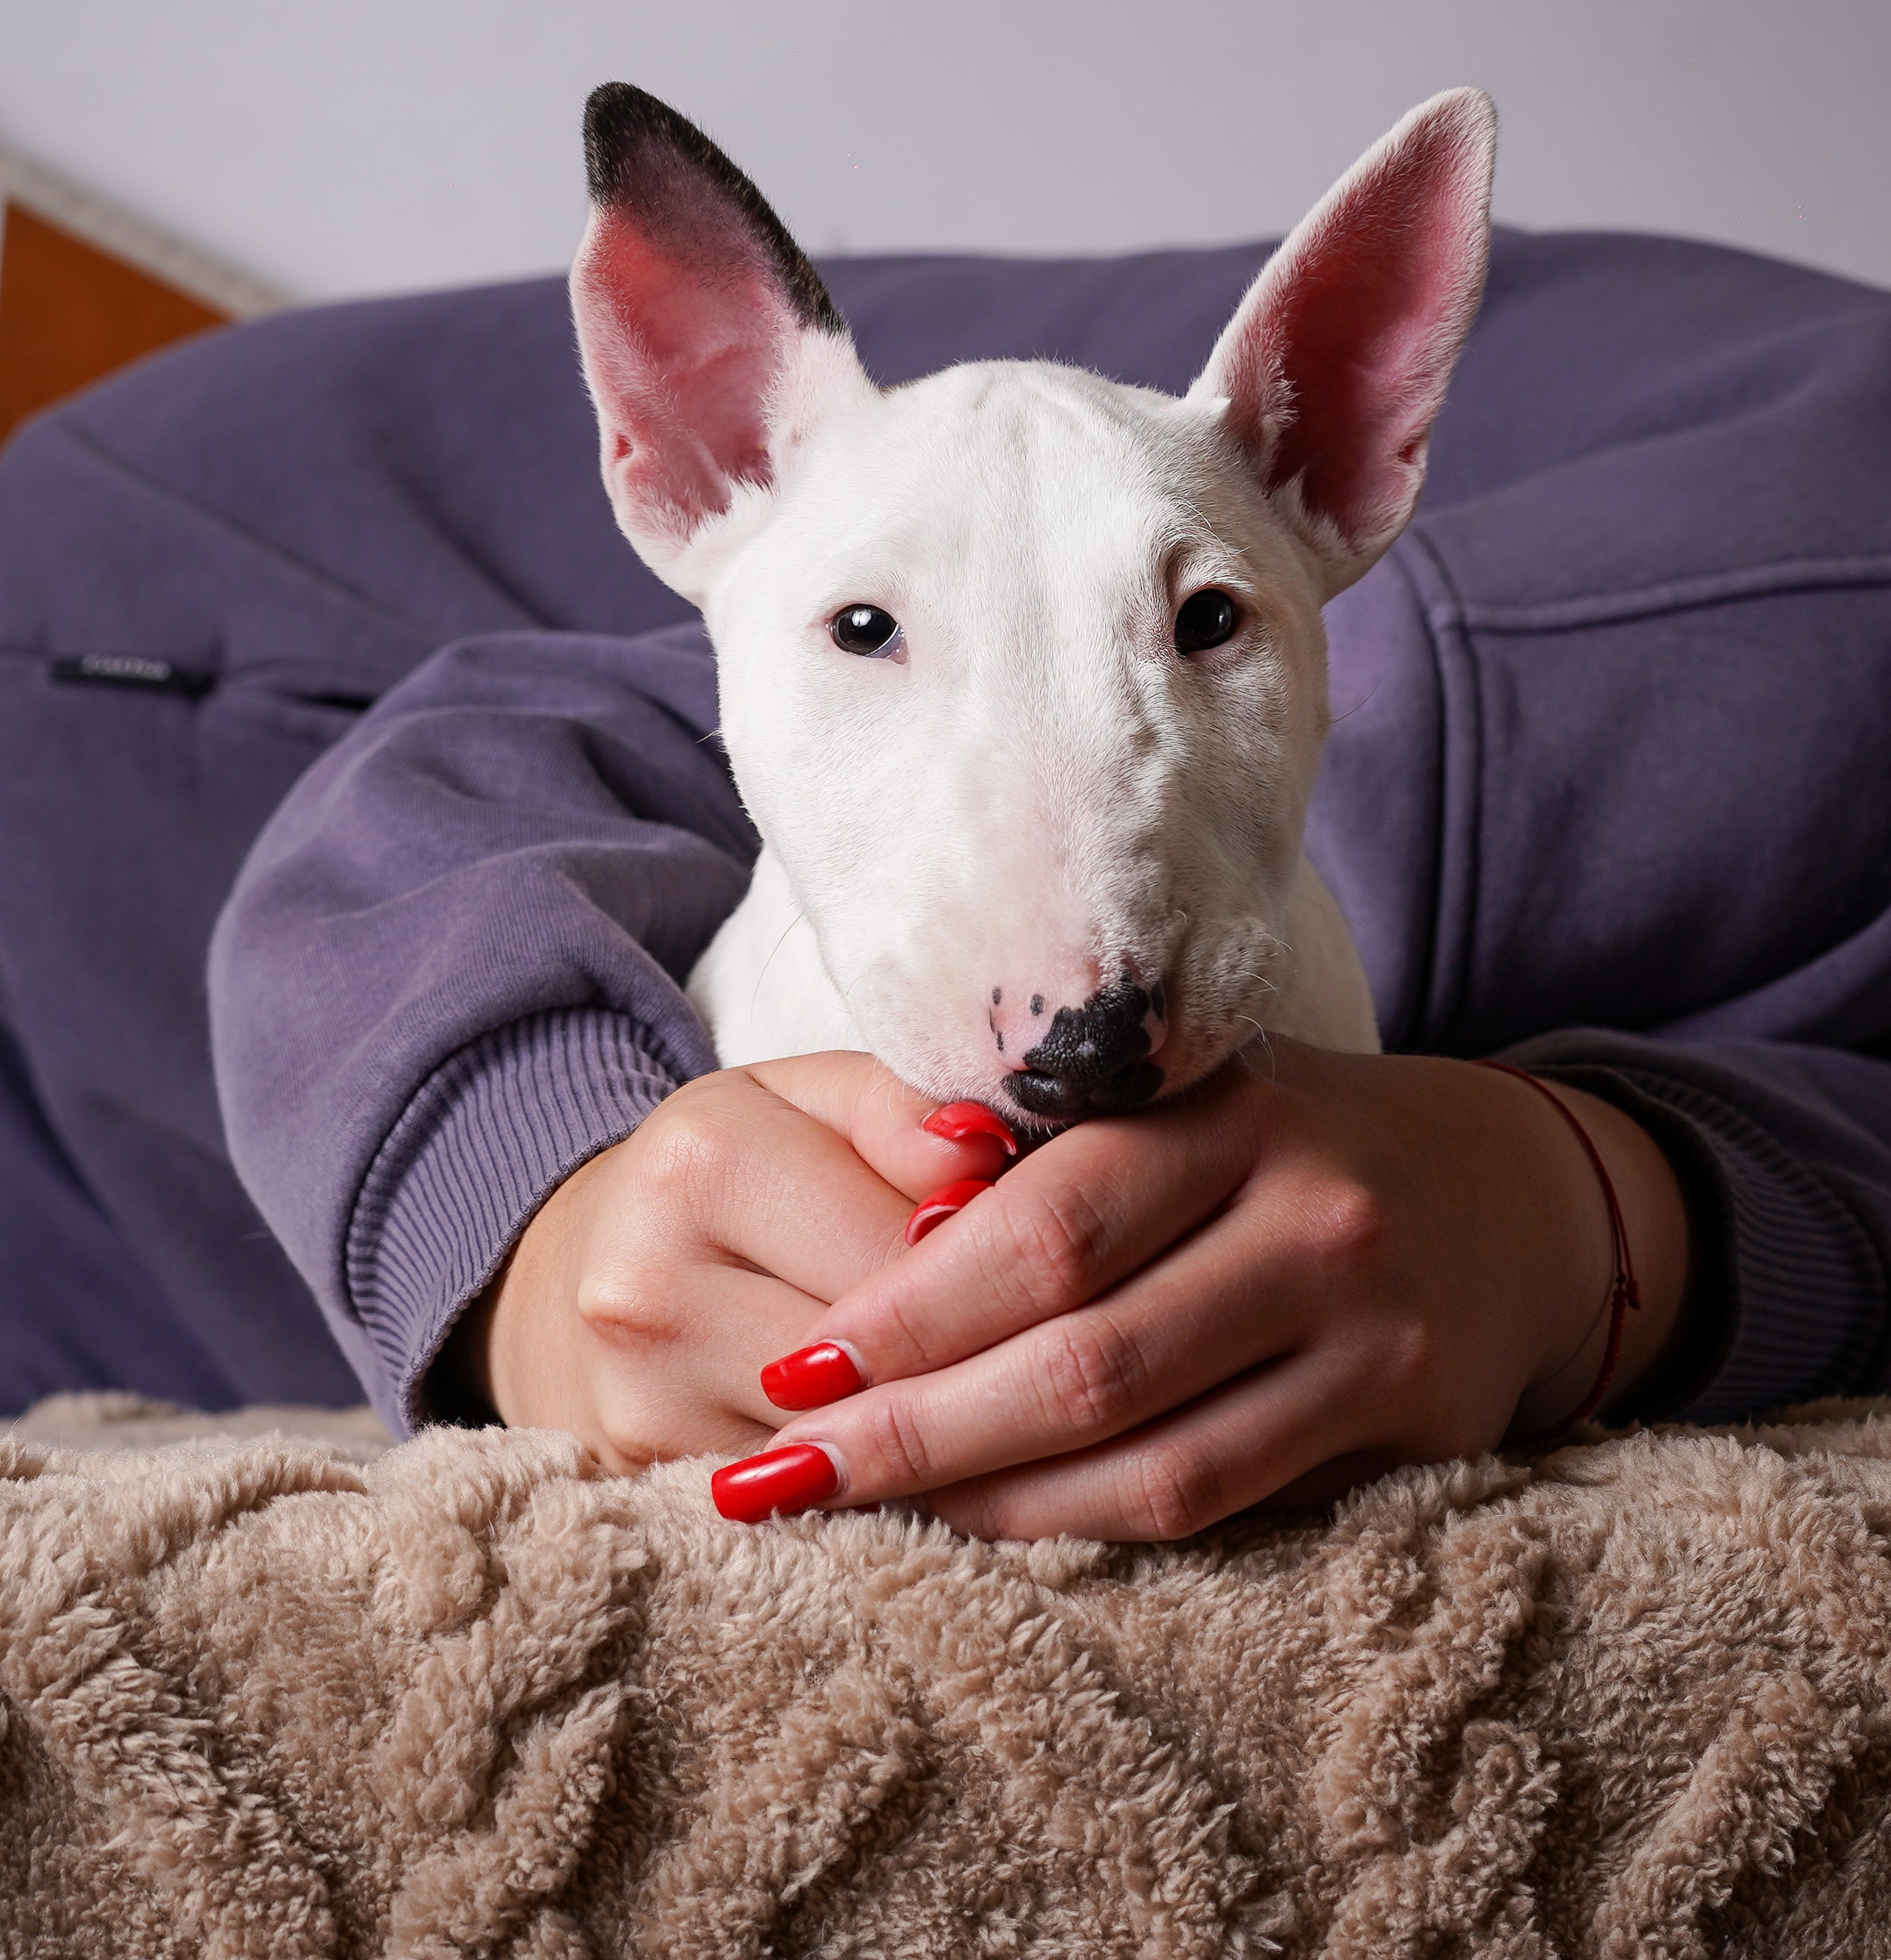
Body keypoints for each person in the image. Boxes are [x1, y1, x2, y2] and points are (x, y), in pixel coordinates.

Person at [4, 190, 1889, 1540]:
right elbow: (505, 748)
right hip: (155, 646)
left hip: (145, 1255)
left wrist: (1610, 1224)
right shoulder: (1793, 582)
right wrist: (536, 1208)